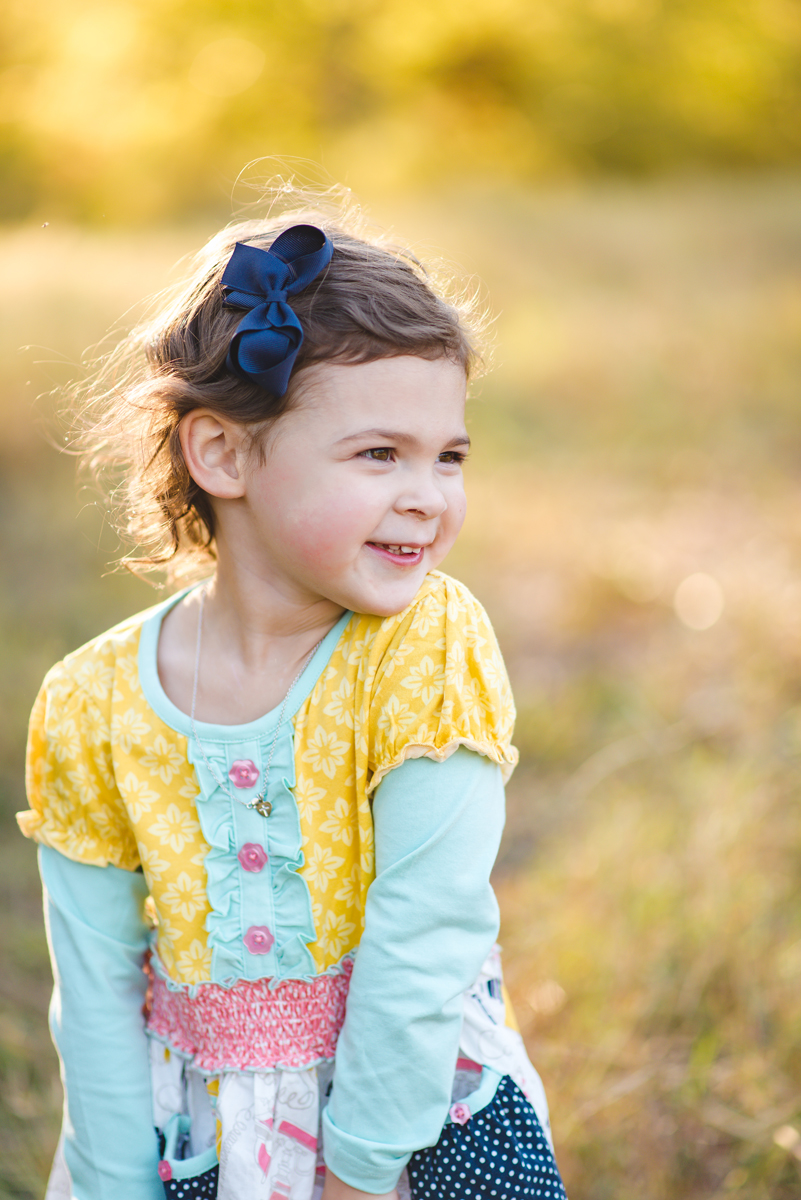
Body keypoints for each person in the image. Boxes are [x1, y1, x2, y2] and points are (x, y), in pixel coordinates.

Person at [19, 188, 567, 1200]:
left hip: (421, 1132)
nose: (429, 497)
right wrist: (107, 1183)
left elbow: (427, 928)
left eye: (449, 456)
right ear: (222, 452)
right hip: (210, 1145)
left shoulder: (423, 648)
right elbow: (90, 995)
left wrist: (358, 1174)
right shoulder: (90, 702)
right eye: (379, 455)